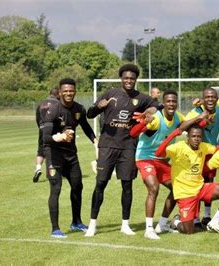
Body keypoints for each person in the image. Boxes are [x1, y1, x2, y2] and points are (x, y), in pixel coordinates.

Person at [85, 64, 161, 237]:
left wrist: (149, 111)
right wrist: (99, 107)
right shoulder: (110, 94)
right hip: (107, 145)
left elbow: (158, 105)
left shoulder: (141, 98)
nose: (129, 81)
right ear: (121, 78)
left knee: (127, 185)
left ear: (136, 80)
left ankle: (125, 224)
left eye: (132, 78)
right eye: (126, 78)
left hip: (128, 146)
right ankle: (92, 224)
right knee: (100, 184)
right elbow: (90, 114)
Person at [130, 90, 205, 239]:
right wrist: (145, 121)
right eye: (168, 101)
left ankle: (162, 224)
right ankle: (149, 229)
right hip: (145, 158)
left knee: (177, 188)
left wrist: (202, 117)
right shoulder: (156, 118)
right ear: (163, 103)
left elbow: (186, 125)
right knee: (154, 188)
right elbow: (133, 133)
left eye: (174, 101)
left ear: (177, 103)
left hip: (161, 160)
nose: (171, 104)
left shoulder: (178, 117)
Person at [155, 124, 219, 234]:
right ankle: (176, 222)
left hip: (201, 188)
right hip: (185, 193)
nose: (196, 139)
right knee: (188, 231)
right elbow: (158, 153)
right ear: (187, 137)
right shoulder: (178, 147)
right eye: (193, 136)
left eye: (199, 136)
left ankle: (214, 222)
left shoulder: (203, 146)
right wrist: (173, 134)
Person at [41, 78, 96, 238]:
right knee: (56, 189)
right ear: (59, 92)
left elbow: (86, 126)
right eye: (65, 91)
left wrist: (95, 141)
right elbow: (45, 137)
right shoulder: (53, 110)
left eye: (71, 91)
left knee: (78, 186)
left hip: (71, 155)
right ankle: (55, 229)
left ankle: (76, 221)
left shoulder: (79, 109)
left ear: (75, 91)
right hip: (54, 155)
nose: (68, 93)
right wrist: (60, 137)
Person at [185, 88, 219, 227]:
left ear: (217, 99)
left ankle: (206, 216)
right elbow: (183, 126)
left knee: (209, 183)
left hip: (211, 153)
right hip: (196, 153)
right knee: (195, 184)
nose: (210, 99)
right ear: (202, 98)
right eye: (207, 97)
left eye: (213, 97)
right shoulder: (195, 112)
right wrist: (200, 119)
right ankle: (194, 217)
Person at [33, 87, 59, 183]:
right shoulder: (58, 103)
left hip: (42, 129)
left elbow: (37, 118)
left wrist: (40, 127)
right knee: (52, 150)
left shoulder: (40, 103)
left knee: (41, 150)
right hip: (53, 129)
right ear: (57, 94)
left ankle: (38, 168)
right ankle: (53, 171)